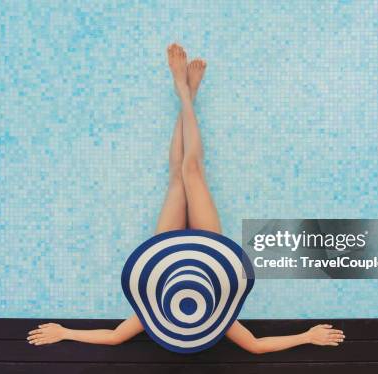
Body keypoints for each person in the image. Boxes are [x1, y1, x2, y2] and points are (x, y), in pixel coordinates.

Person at [27, 43, 345, 354]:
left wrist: (64, 331)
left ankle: (186, 92)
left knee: (177, 179)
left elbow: (113, 337)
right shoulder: (216, 316)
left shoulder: (158, 308)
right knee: (191, 170)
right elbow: (257, 347)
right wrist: (306, 336)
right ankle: (186, 92)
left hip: (165, 254)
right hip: (209, 248)